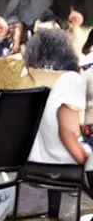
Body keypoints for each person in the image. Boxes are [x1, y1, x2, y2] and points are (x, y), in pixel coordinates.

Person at [26, 29, 89, 166]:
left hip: (34, 164)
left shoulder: (31, 82)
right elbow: (68, 134)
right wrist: (88, 164)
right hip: (65, 164)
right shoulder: (71, 80)